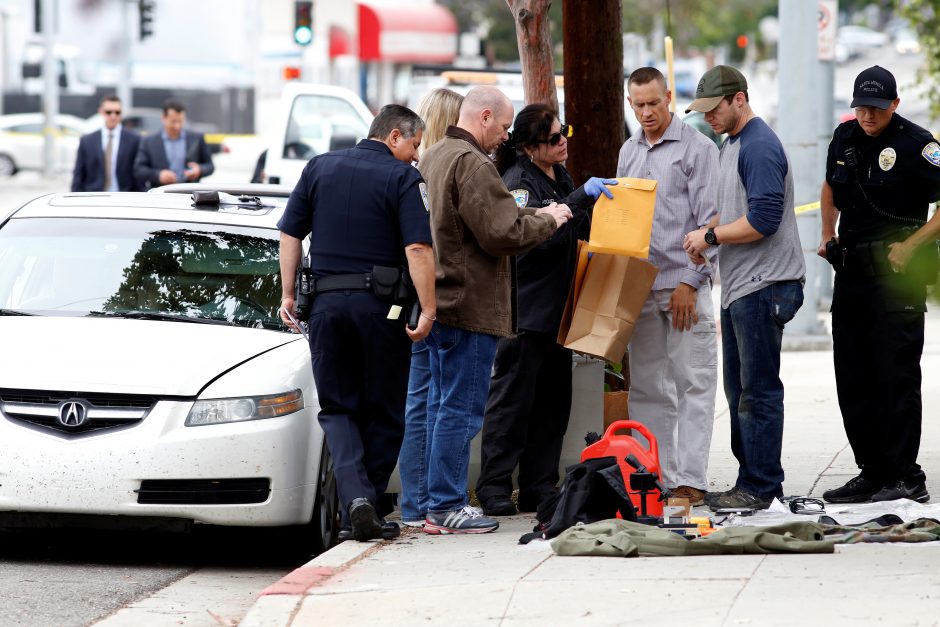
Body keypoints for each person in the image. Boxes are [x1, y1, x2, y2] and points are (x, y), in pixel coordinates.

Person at [277, 104, 436, 542]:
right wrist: (429, 309)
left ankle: (356, 504)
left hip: (325, 308)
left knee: (338, 409)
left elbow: (290, 232)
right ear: (394, 137)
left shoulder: (318, 167)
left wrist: (289, 294)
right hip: (380, 310)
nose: (417, 156)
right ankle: (364, 502)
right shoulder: (403, 179)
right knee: (384, 411)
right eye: (415, 145)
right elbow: (419, 249)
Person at [417, 86, 572, 534]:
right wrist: (552, 217)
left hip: (439, 300)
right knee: (460, 411)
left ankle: (430, 502)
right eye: (504, 127)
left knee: (437, 406)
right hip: (469, 304)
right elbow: (502, 232)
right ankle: (446, 505)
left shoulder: (435, 155)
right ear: (484, 117)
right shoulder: (472, 163)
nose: (504, 136)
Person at [474, 103, 615, 516]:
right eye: (554, 138)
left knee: (554, 405)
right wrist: (577, 199)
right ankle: (495, 486)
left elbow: (573, 232)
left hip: (559, 312)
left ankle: (539, 485)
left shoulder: (559, 174)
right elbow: (532, 239)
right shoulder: (519, 183)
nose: (563, 142)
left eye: (564, 132)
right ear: (530, 147)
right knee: (512, 404)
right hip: (526, 312)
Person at [683, 65, 805, 511]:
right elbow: (737, 208)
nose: (708, 117)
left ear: (739, 98)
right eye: (703, 111)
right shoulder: (732, 144)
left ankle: (761, 485)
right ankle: (750, 480)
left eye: (714, 109)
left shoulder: (758, 145)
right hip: (742, 285)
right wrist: (706, 230)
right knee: (739, 392)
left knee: (757, 390)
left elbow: (764, 220)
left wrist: (712, 238)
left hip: (765, 283)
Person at [818, 66, 940, 505]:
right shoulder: (845, 137)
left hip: (897, 281)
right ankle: (871, 472)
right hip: (851, 275)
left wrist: (912, 245)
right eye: (862, 107)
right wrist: (826, 234)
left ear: (895, 104)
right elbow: (830, 185)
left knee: (896, 377)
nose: (868, 115)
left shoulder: (917, 145)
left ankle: (906, 474)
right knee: (853, 377)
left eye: (877, 107)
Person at [616, 67, 720, 507]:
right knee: (646, 388)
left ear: (669, 97)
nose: (646, 112)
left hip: (684, 285)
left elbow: (711, 221)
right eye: (638, 105)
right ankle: (653, 479)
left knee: (693, 383)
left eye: (653, 103)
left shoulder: (698, 148)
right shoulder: (628, 152)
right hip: (641, 285)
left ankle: (690, 481)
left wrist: (690, 282)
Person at [399, 87, 464, 529]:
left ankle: (415, 502)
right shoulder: (444, 168)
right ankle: (427, 501)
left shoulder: (420, 166)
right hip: (436, 299)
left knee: (420, 400)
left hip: (415, 298)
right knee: (435, 401)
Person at [133, 100, 214, 189]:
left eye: (180, 121)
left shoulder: (197, 138)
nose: (177, 126)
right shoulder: (148, 141)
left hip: (190, 194)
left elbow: (210, 166)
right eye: (173, 122)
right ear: (163, 118)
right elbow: (138, 170)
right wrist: (158, 175)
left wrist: (200, 170)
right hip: (160, 195)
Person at [71, 95, 142, 192]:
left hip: (125, 196)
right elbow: (78, 175)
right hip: (94, 197)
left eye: (117, 112)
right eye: (109, 112)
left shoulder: (134, 139)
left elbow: (139, 173)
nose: (113, 116)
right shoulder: (87, 141)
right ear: (101, 111)